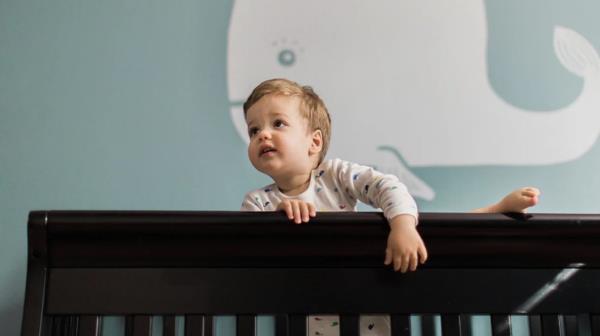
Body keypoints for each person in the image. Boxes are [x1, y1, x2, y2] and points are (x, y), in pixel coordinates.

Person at [240, 78, 540, 336]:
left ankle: (494, 212)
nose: (263, 134)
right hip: (314, 315)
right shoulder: (258, 202)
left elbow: (389, 186)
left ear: (314, 142)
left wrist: (403, 226)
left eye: (278, 123)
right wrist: (276, 222)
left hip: (370, 296)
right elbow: (246, 257)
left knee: (431, 235)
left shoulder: (336, 175)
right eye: (254, 131)